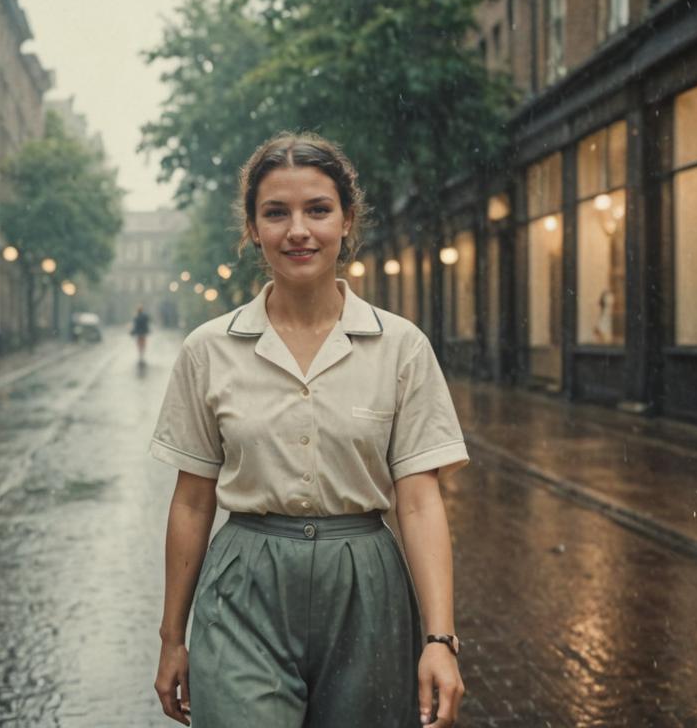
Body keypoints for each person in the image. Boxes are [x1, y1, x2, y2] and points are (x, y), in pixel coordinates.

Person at [150, 132, 469, 727]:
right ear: (253, 229)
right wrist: (172, 638)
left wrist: (439, 640)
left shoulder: (401, 347)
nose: (298, 230)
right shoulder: (208, 350)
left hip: (367, 586)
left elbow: (421, 503)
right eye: (276, 213)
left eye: (317, 210)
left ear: (347, 220)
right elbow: (191, 503)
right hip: (243, 588)